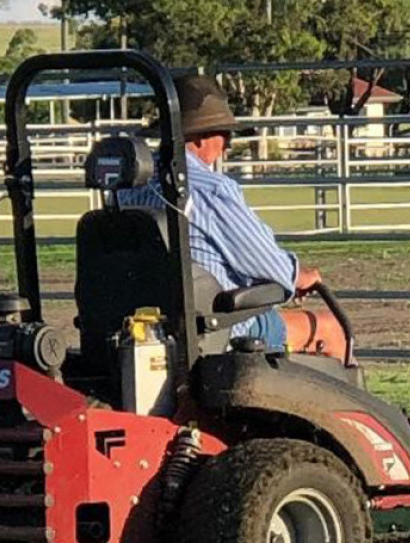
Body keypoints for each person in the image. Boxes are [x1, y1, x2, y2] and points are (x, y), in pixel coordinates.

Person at [119, 75, 346, 357]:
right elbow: (266, 263)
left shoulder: (128, 190)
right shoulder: (210, 191)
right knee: (330, 327)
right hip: (214, 329)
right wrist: (298, 276)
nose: (227, 143)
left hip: (144, 328)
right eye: (224, 132)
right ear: (200, 135)